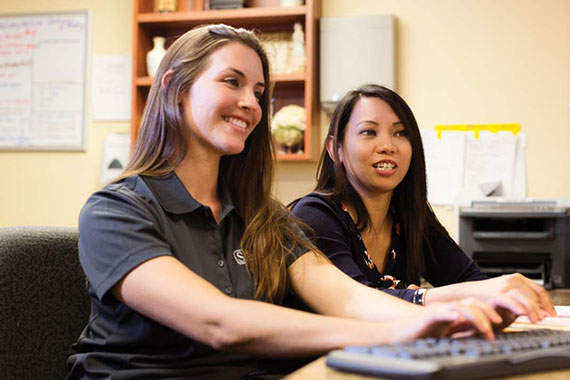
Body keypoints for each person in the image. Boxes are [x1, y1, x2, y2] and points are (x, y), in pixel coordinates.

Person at [67, 27, 527, 379]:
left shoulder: (262, 217)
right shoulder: (115, 210)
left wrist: (448, 321)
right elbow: (219, 323)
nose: (250, 103)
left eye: (259, 92)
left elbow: (346, 297)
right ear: (174, 88)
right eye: (232, 82)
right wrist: (404, 329)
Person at [291, 84, 555, 319]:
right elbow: (358, 304)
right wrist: (423, 299)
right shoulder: (315, 215)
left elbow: (471, 282)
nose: (388, 146)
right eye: (369, 132)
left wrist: (503, 295)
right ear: (334, 149)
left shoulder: (409, 218)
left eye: (401, 133)